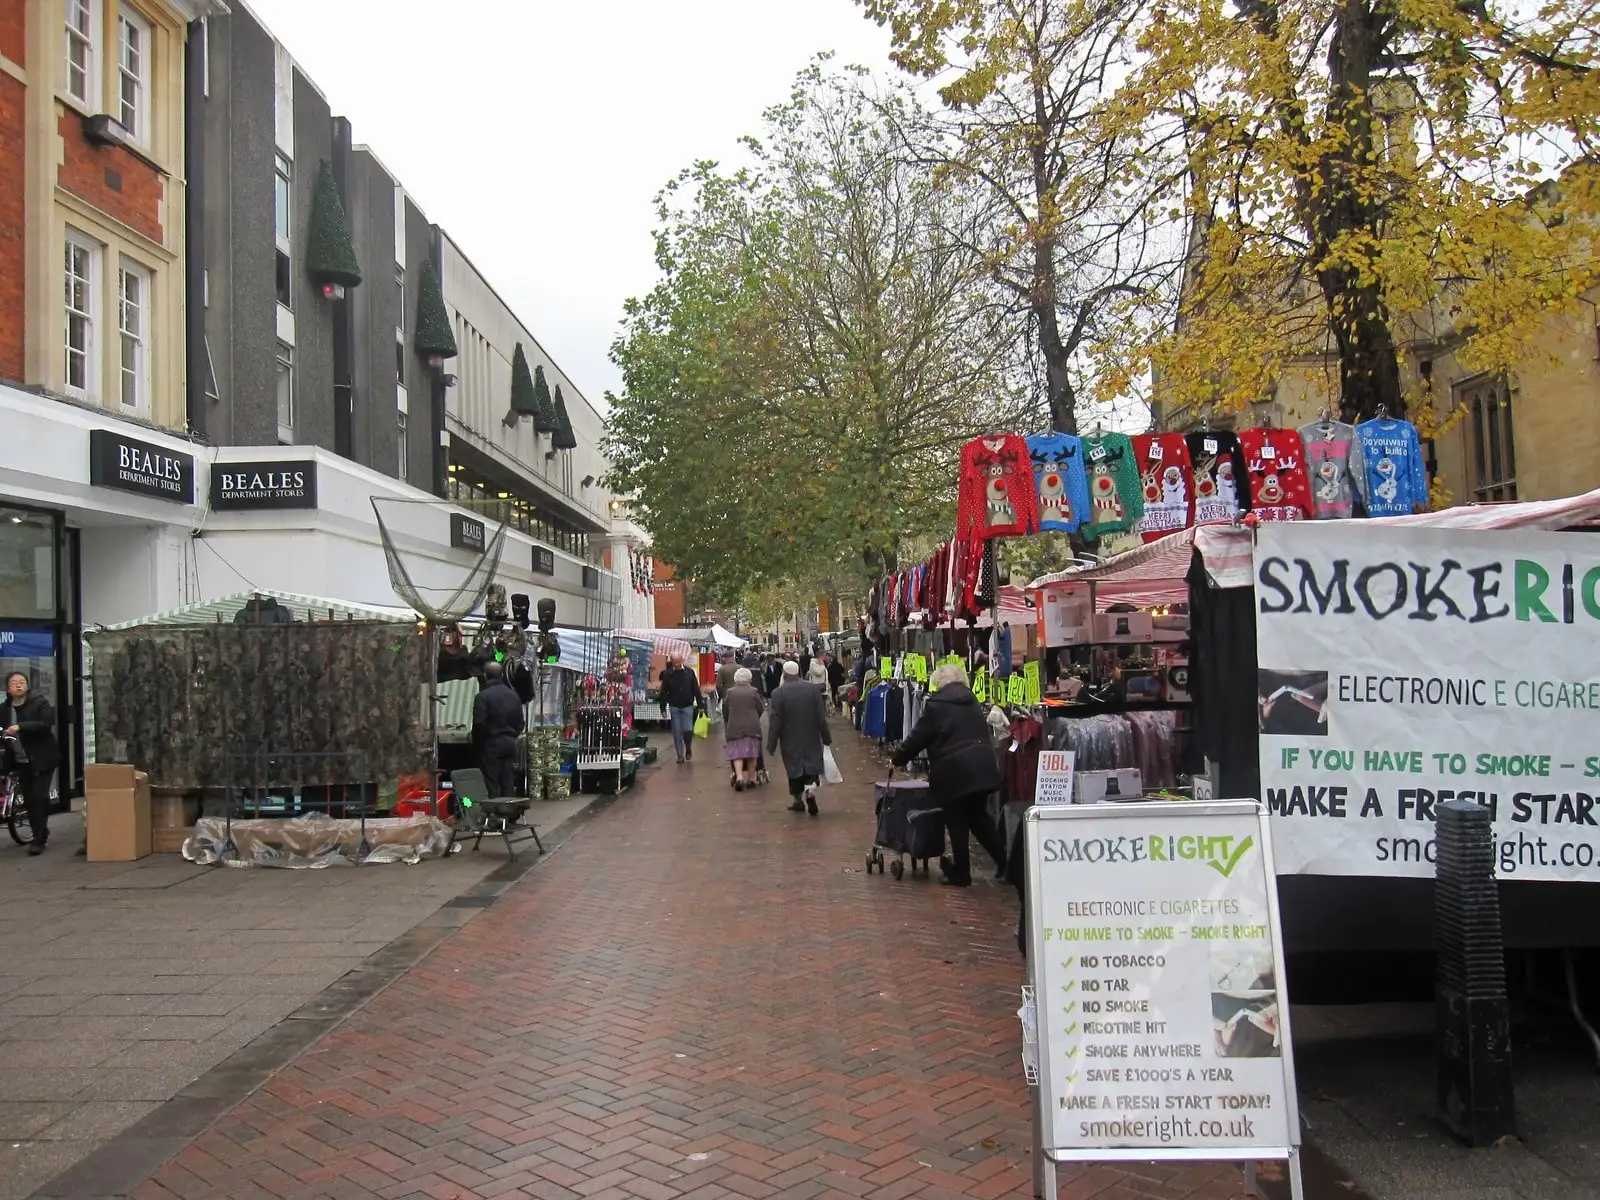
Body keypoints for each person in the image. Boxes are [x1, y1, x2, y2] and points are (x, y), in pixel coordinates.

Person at [891, 663, 1004, 886]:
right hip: (983, 766)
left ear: (939, 683)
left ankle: (961, 872)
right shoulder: (972, 700)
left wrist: (897, 759)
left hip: (955, 771)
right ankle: (1006, 861)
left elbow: (918, 737)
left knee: (957, 819)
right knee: (979, 818)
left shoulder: (936, 705)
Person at [766, 659, 831, 815]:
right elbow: (820, 716)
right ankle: (810, 789)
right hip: (810, 734)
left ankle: (797, 799)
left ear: (784, 674)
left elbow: (775, 720)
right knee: (811, 762)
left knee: (794, 767)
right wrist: (826, 736)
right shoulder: (812, 689)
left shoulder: (778, 693)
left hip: (789, 737)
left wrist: (771, 743)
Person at [2, 672, 57, 855]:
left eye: (22, 682)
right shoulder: (5, 709)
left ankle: (38, 840)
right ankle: (41, 829)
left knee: (37, 798)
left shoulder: (39, 702)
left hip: (42, 758)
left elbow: (46, 723)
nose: (18, 685)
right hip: (20, 760)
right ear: (7, 689)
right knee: (30, 799)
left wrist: (21, 726)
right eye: (14, 683)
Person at [472, 660, 525, 798]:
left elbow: (479, 725)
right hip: (510, 744)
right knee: (508, 781)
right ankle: (509, 814)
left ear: (485, 675)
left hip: (491, 745)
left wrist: (479, 745)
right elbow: (521, 723)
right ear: (501, 675)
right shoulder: (514, 696)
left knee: (491, 782)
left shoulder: (482, 697)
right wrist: (511, 736)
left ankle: (494, 815)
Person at [722, 667, 765, 791]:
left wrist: (728, 719)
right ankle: (751, 778)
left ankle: (740, 777)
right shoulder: (754, 691)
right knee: (752, 753)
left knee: (737, 754)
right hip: (752, 727)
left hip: (734, 726)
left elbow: (725, 709)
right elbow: (760, 708)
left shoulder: (730, 692)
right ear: (749, 678)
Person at [660, 653, 705, 764]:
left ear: (682, 660)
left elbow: (696, 689)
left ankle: (688, 746)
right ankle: (680, 755)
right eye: (675, 663)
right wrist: (663, 708)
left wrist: (700, 705)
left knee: (687, 730)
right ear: (672, 662)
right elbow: (664, 692)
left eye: (679, 662)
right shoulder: (668, 674)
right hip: (674, 706)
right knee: (677, 732)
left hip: (687, 705)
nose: (677, 665)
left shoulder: (689, 672)